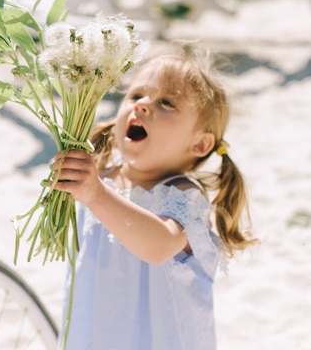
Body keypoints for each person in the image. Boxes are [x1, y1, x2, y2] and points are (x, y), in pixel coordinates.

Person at [50, 44, 257, 349]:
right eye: (136, 95)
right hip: (97, 327)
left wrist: (95, 193)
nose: (142, 105)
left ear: (199, 144)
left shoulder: (184, 195)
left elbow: (159, 246)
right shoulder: (104, 173)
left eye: (166, 103)